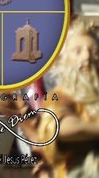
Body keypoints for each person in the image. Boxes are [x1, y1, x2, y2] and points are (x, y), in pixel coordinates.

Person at [37, 23, 99, 177]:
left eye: (94, 51)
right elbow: (61, 127)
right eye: (77, 52)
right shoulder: (60, 95)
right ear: (64, 58)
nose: (87, 57)